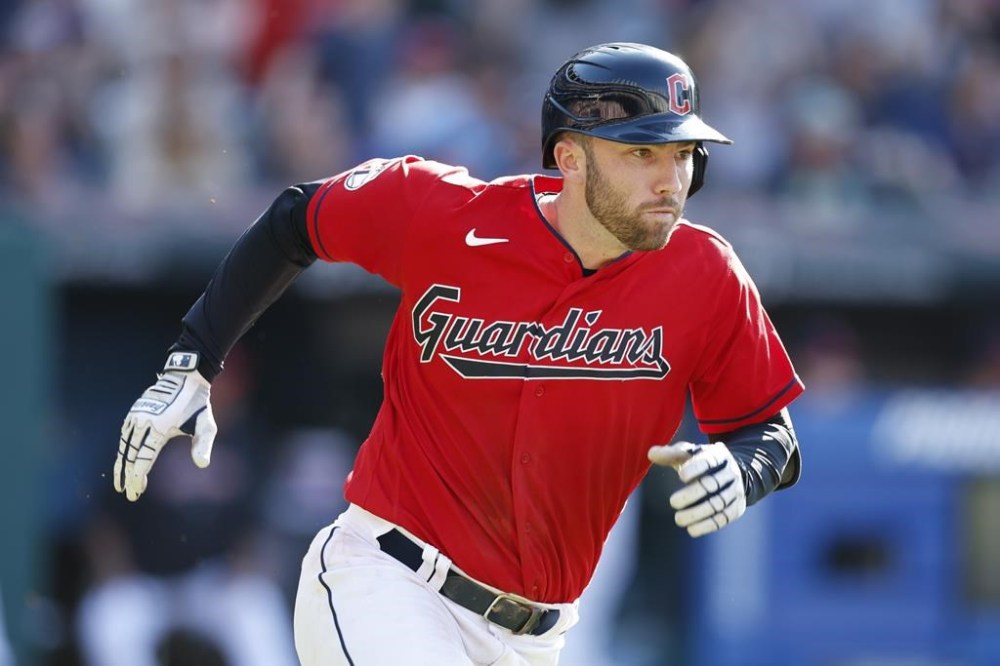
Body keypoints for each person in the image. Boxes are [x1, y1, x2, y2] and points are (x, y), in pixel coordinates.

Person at [113, 42, 804, 665]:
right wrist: (194, 359)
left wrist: (743, 469)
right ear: (569, 157)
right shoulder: (447, 213)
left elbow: (771, 433)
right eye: (640, 153)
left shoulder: (706, 273)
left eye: (682, 153)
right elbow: (297, 219)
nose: (670, 178)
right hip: (390, 582)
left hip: (536, 639)